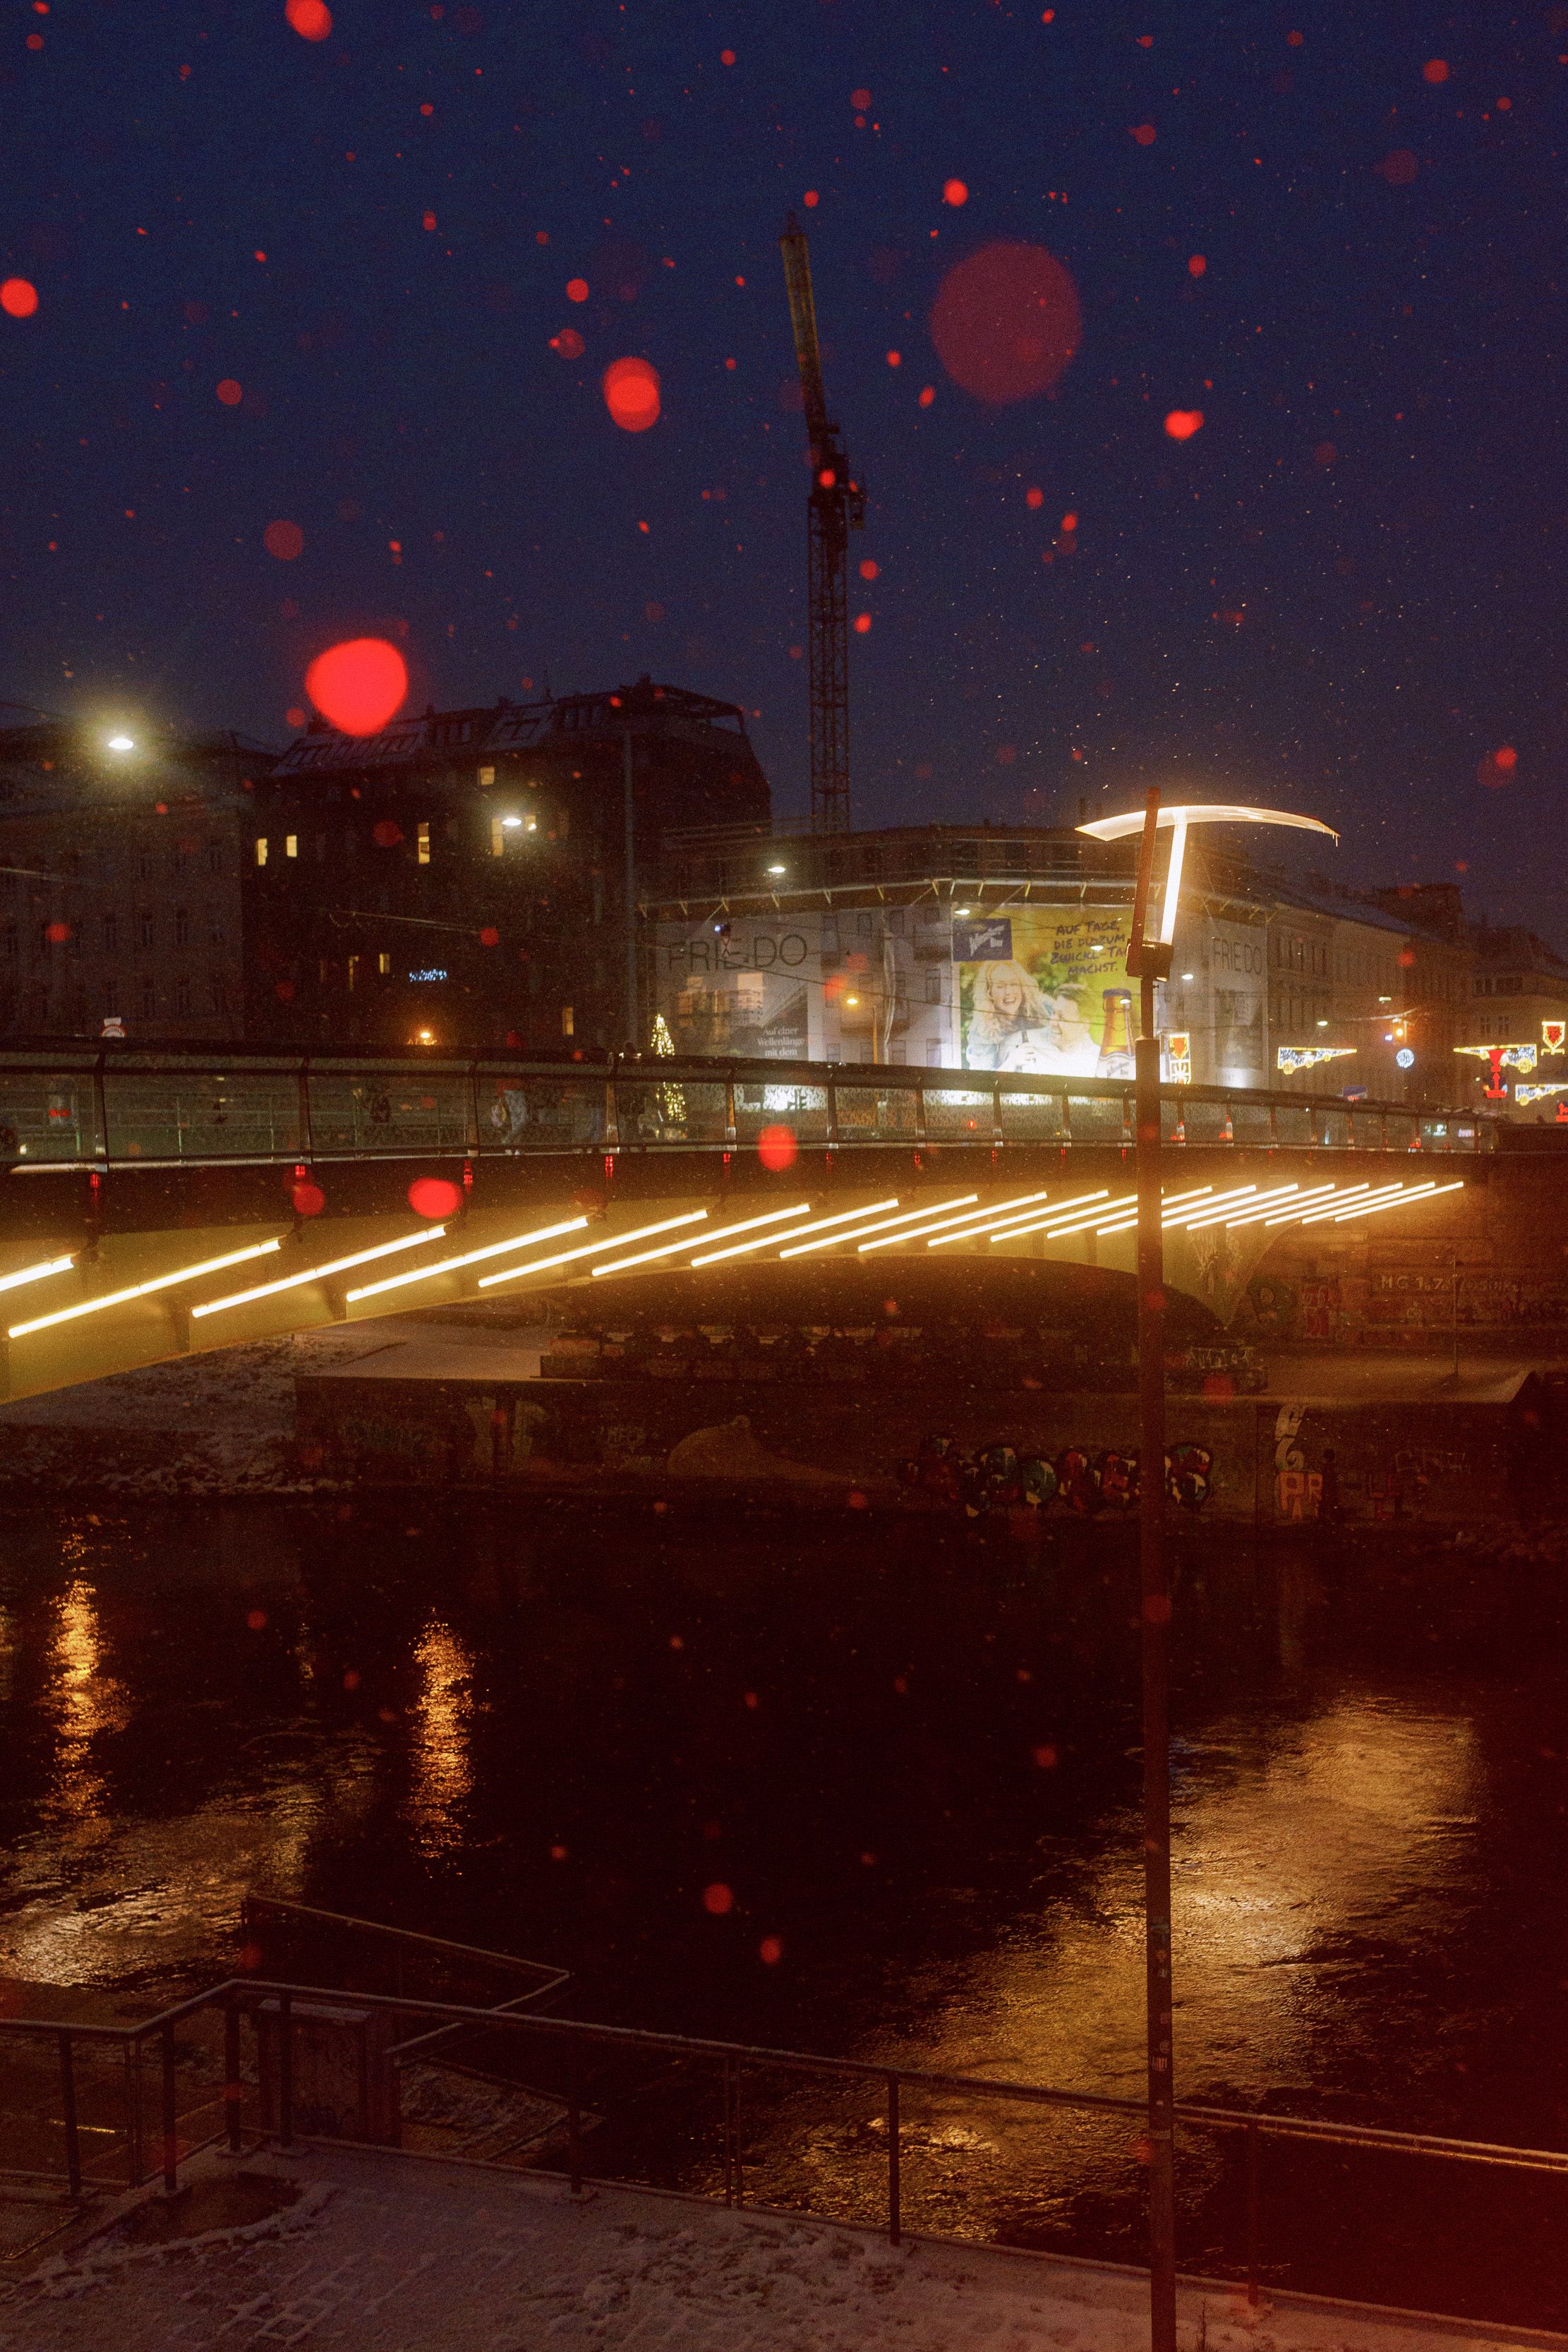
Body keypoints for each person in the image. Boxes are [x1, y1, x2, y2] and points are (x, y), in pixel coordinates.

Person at [965, 960, 1054, 1069]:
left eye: (1013, 984)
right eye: (1000, 986)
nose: (1008, 992)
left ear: (1022, 987)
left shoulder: (1043, 1006)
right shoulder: (983, 1027)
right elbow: (982, 1077)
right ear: (989, 992)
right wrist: (1012, 1062)